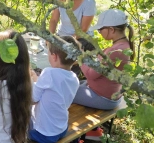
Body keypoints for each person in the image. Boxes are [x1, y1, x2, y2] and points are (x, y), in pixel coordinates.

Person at [72, 9, 134, 140]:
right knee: (75, 83)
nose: (99, 32)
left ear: (111, 29)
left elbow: (90, 75)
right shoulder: (123, 45)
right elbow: (101, 69)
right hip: (105, 93)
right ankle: (93, 132)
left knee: (65, 90)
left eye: (101, 29)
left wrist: (80, 57)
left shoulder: (116, 50)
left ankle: (74, 134)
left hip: (104, 98)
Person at [29, 36, 80, 143]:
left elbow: (32, 99)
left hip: (44, 133)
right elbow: (53, 91)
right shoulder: (74, 78)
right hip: (61, 129)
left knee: (18, 119)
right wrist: (35, 78)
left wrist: (31, 81)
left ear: (54, 56)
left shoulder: (49, 73)